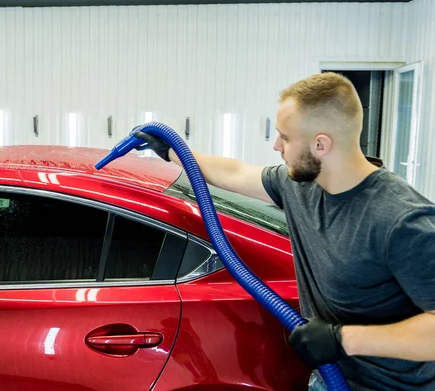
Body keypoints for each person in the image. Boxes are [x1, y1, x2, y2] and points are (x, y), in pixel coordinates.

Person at [134, 72, 435, 390]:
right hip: (330, 377)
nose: (276, 145)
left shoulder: (402, 219)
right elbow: (236, 172)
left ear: (320, 144)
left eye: (286, 138)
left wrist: (345, 339)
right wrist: (172, 151)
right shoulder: (301, 185)